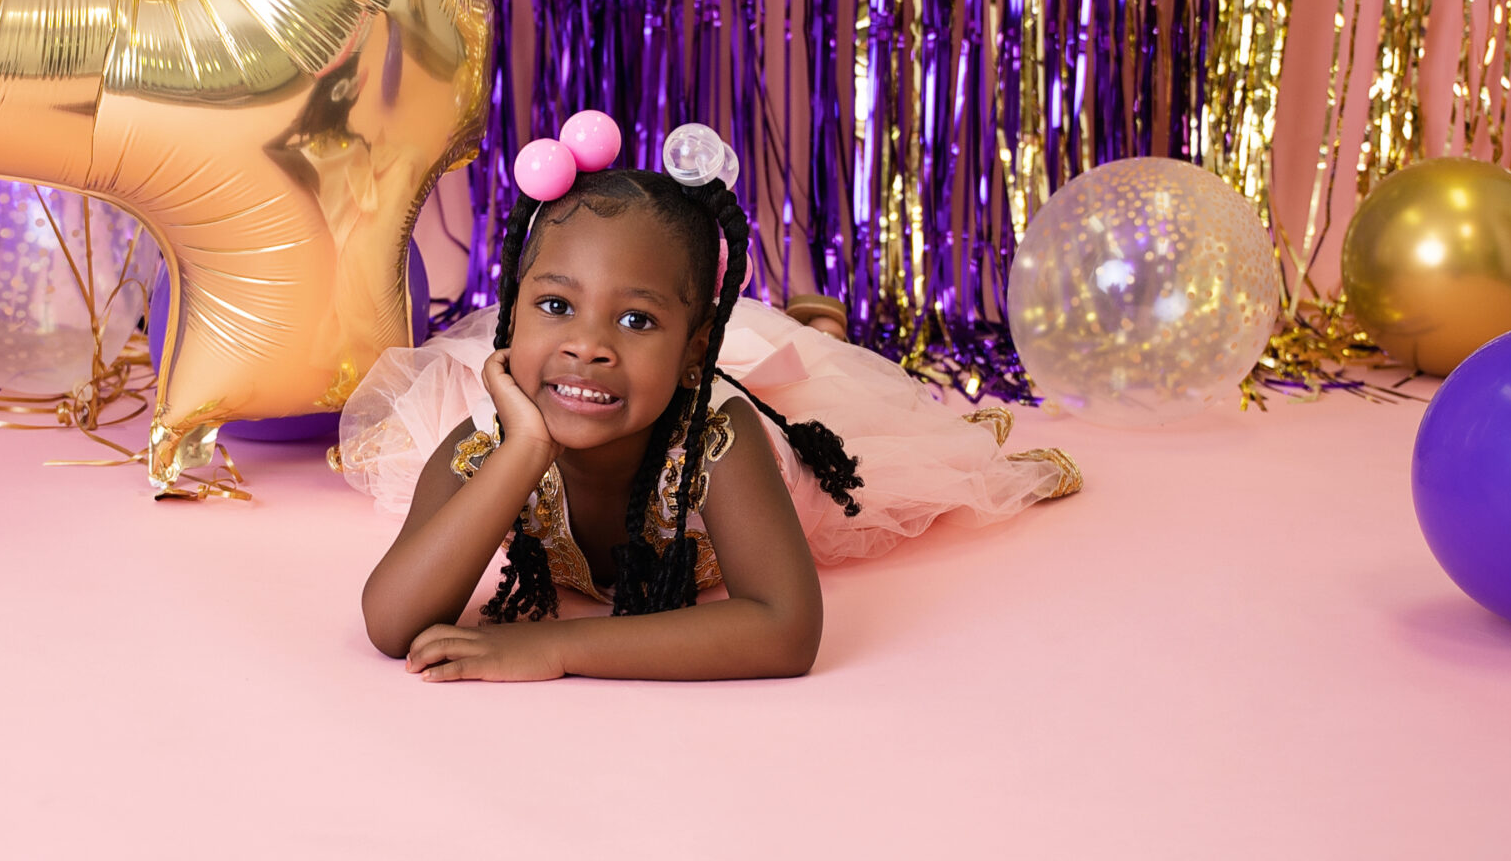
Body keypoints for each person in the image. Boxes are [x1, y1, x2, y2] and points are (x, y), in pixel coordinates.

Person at [344, 117, 1079, 681]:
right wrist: (524, 450)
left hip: (757, 424)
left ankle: (815, 325)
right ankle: (796, 323)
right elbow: (389, 622)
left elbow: (786, 631)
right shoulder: (480, 443)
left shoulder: (722, 439)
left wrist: (552, 644)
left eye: (636, 320)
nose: (588, 345)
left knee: (829, 392)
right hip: (572, 415)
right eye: (556, 306)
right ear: (512, 313)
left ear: (696, 347)